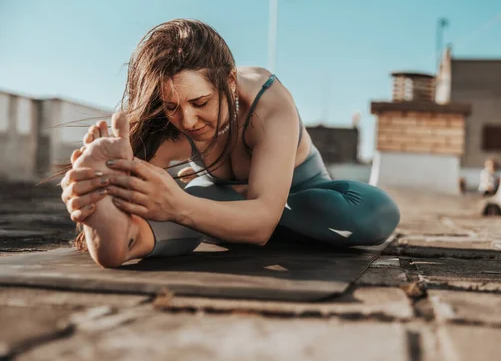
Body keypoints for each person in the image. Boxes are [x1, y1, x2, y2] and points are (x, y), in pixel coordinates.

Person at [59, 19, 400, 268]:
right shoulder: (168, 122)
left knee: (377, 213)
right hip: (215, 202)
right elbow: (144, 194)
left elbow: (263, 222)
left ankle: (227, 219)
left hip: (305, 201)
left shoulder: (270, 105)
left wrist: (178, 205)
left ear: (230, 81)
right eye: (173, 106)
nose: (188, 120)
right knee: (148, 218)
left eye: (201, 102)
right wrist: (96, 194)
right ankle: (121, 242)